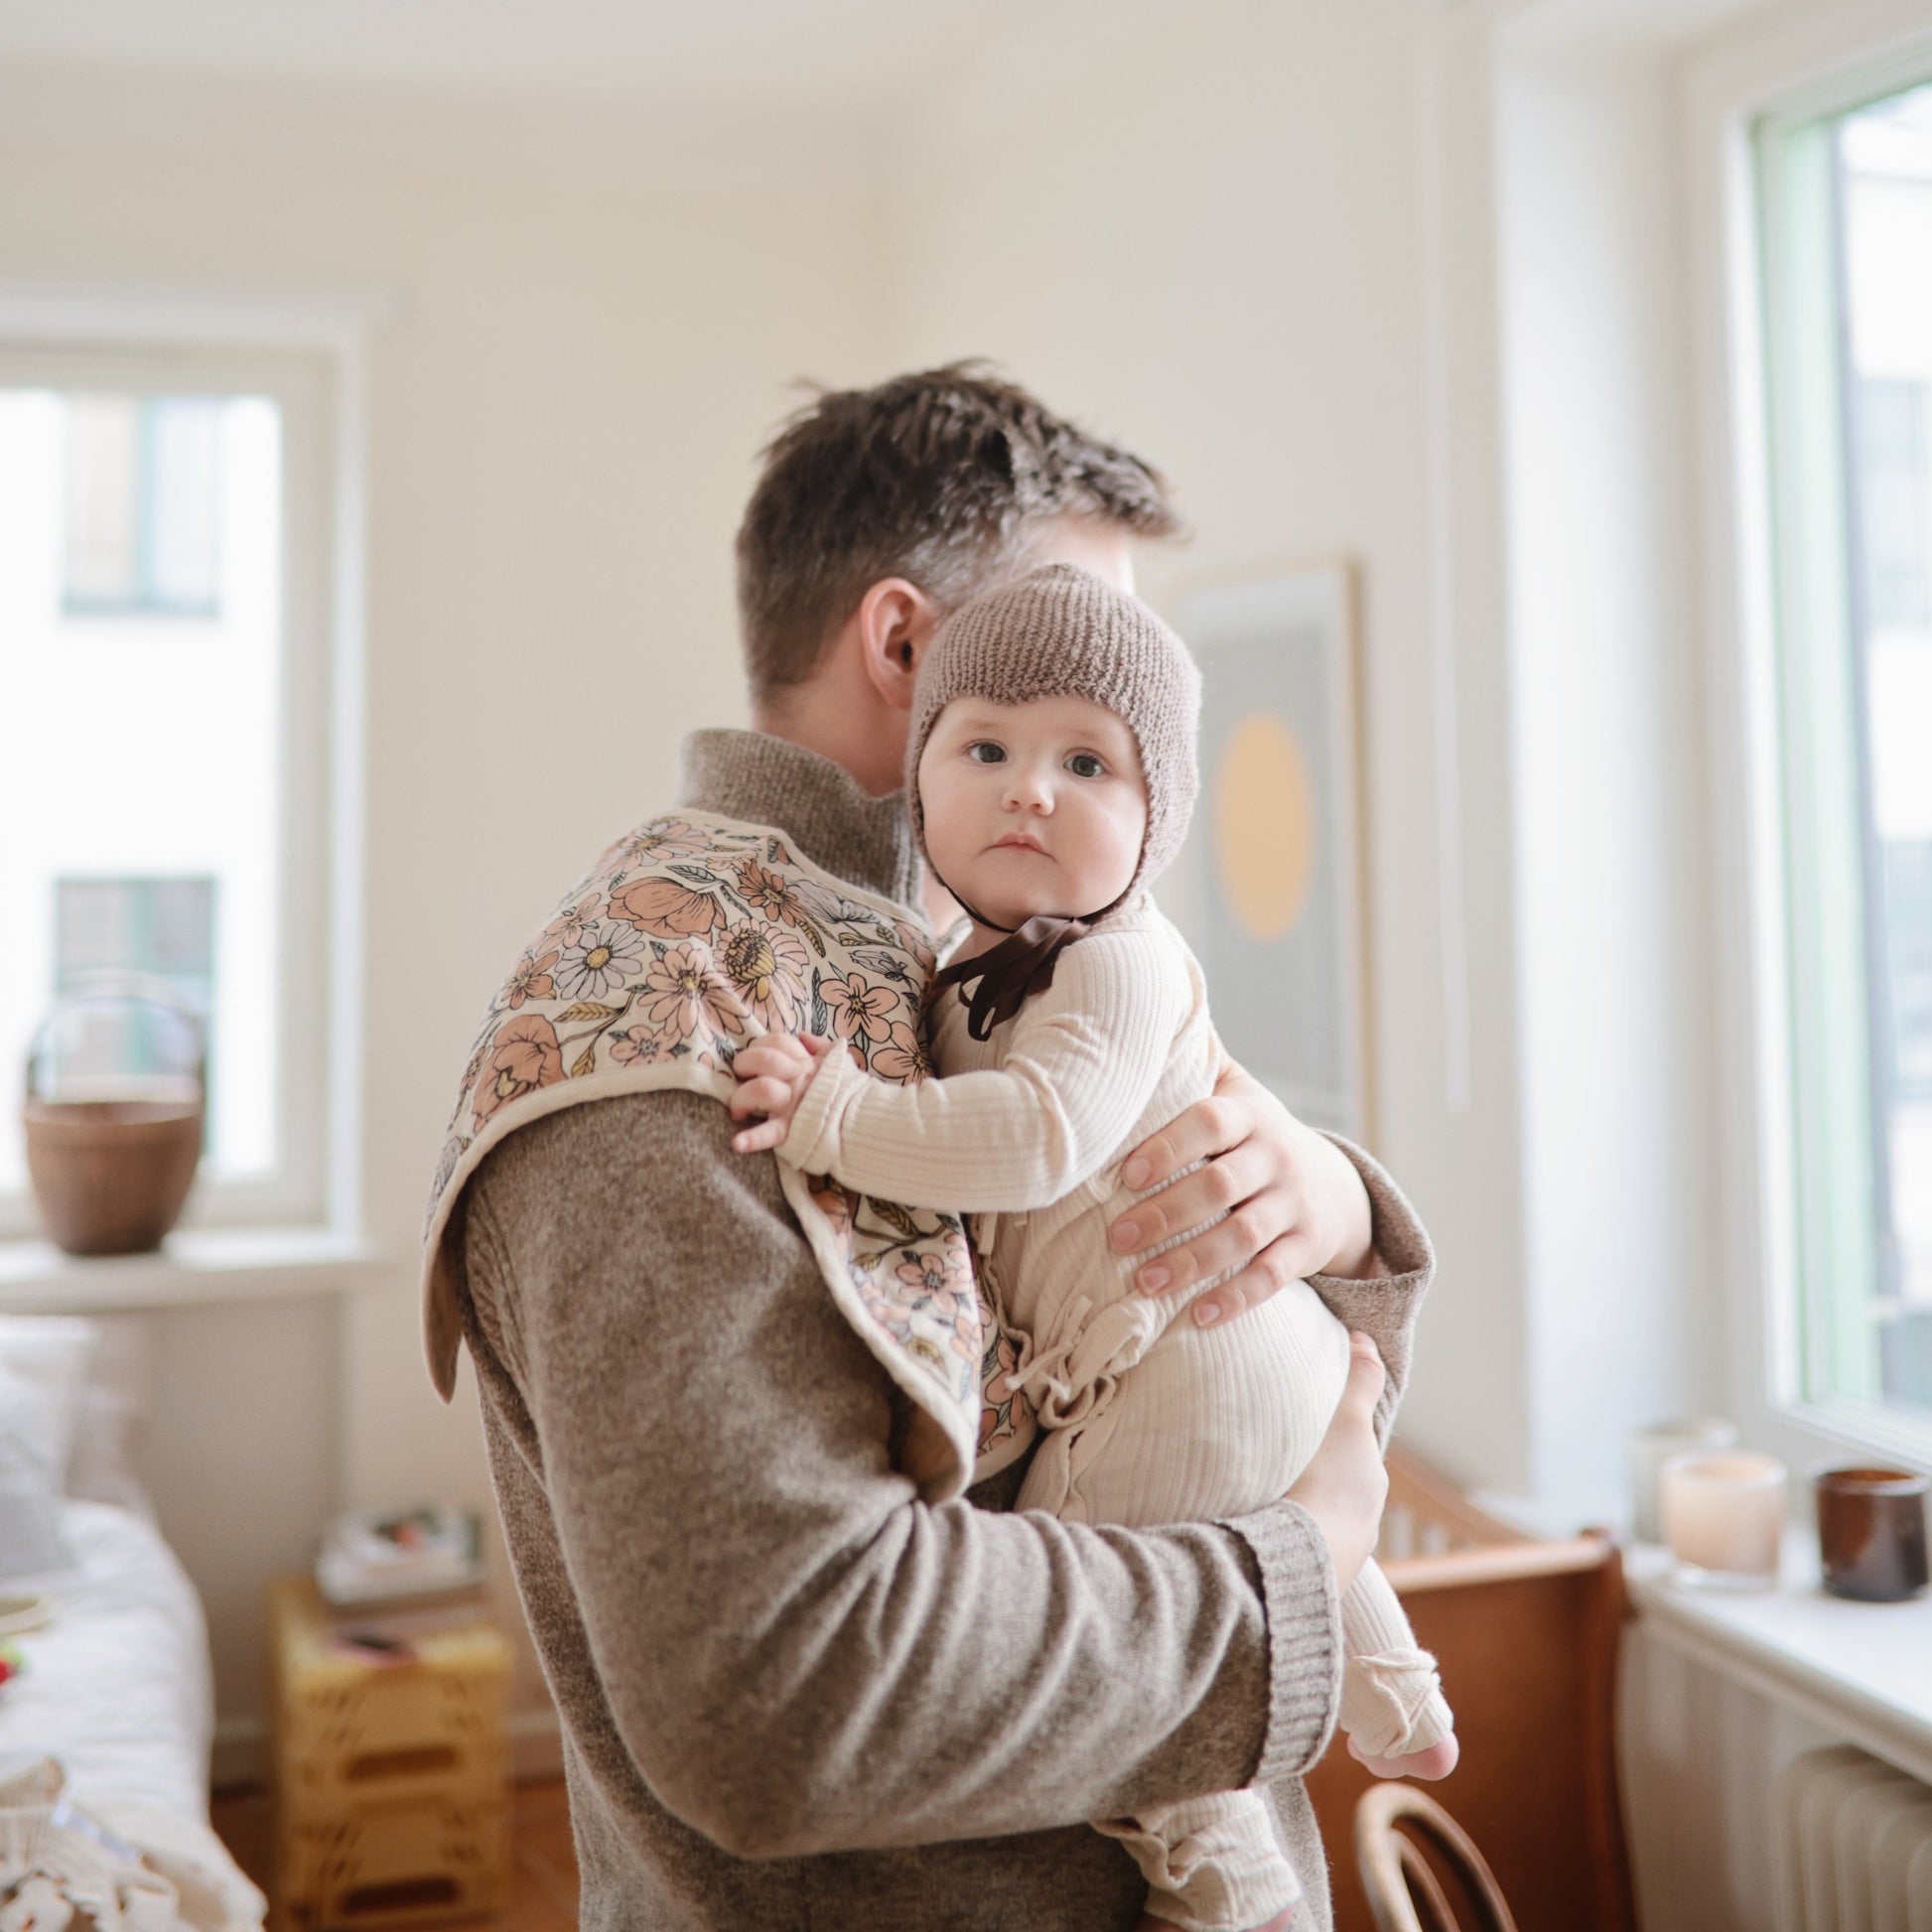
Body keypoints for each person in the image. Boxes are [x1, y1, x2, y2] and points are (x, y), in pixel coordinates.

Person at [420, 364, 1438, 1931]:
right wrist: (1295, 1576)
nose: (1127, 725)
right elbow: (781, 1688)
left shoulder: (970, 966)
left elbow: (1160, 1308)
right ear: (907, 647)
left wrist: (1328, 1203)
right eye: (1092, 661)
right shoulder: (664, 1027)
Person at [728, 563, 1455, 1932]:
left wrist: (838, 1112)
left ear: (1157, 816)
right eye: (984, 745)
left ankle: (1213, 1853)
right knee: (1273, 1534)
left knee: (1077, 1608)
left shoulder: (1113, 963)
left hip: (1184, 1360)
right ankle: (1395, 1693)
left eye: (1087, 761)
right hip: (1225, 1357)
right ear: (922, 769)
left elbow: (1029, 1137)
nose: (1030, 789)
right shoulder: (969, 968)